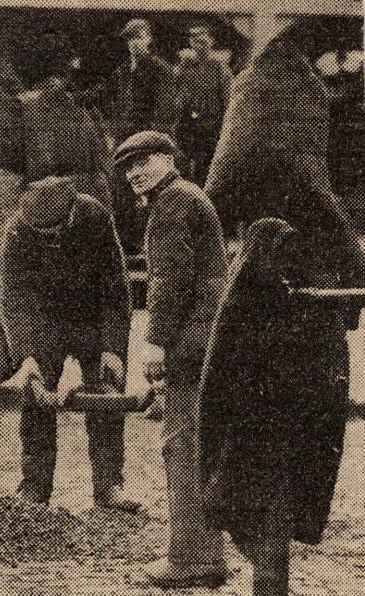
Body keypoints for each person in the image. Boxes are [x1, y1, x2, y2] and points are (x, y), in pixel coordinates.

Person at [201, 30, 365, 595]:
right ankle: (270, 577)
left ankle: (265, 568)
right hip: (292, 286)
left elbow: (224, 185)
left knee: (251, 438)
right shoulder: (298, 91)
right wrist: (356, 259)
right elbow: (309, 181)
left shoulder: (253, 86)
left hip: (255, 275)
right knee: (285, 438)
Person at [112, 131, 228, 588]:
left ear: (168, 158)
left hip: (188, 343)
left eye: (144, 162)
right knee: (197, 446)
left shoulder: (173, 204)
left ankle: (187, 560)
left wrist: (155, 342)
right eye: (127, 167)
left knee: (181, 447)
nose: (135, 172)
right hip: (205, 339)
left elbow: (170, 281)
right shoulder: (185, 196)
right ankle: (208, 555)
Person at [0, 170, 139, 512]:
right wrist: (26, 356)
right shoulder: (17, 231)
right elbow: (15, 299)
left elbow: (115, 286)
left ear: (70, 214)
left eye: (55, 233)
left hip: (92, 318)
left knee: (105, 395)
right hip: (47, 322)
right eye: (42, 235)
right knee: (35, 396)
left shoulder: (94, 217)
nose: (49, 239)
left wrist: (112, 348)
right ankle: (34, 486)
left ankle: (109, 486)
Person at [104, 19, 175, 254]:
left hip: (146, 144)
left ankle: (153, 243)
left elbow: (164, 110)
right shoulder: (122, 72)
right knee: (122, 191)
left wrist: (152, 142)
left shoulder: (159, 70)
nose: (135, 43)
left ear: (149, 39)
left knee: (151, 192)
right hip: (124, 144)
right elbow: (108, 100)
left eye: (139, 37)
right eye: (130, 39)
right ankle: (126, 244)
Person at [173, 21, 233, 186]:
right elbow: (175, 92)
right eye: (195, 42)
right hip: (187, 126)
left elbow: (227, 100)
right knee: (182, 165)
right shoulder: (185, 67)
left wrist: (223, 127)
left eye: (203, 41)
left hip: (211, 127)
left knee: (205, 168)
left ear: (211, 42)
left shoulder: (219, 68)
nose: (199, 45)